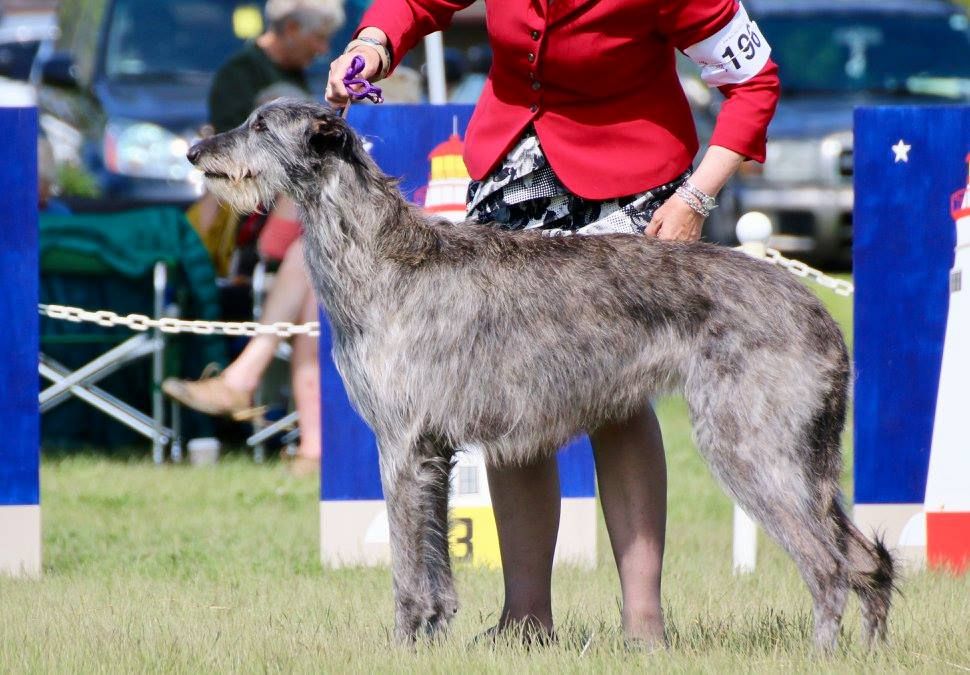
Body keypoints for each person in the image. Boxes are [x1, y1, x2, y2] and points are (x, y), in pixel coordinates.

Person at [326, 0, 780, 646]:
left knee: (616, 398)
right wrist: (371, 44)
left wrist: (696, 197)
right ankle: (526, 618)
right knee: (507, 395)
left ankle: (644, 621)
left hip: (632, 182)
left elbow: (754, 81)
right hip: (511, 171)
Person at [164, 0, 345, 471]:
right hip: (254, 218)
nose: (325, 50)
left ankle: (303, 436)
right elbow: (233, 164)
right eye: (318, 38)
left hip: (300, 235)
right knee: (311, 255)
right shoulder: (239, 76)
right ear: (287, 28)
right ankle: (301, 431)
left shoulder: (306, 80)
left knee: (312, 270)